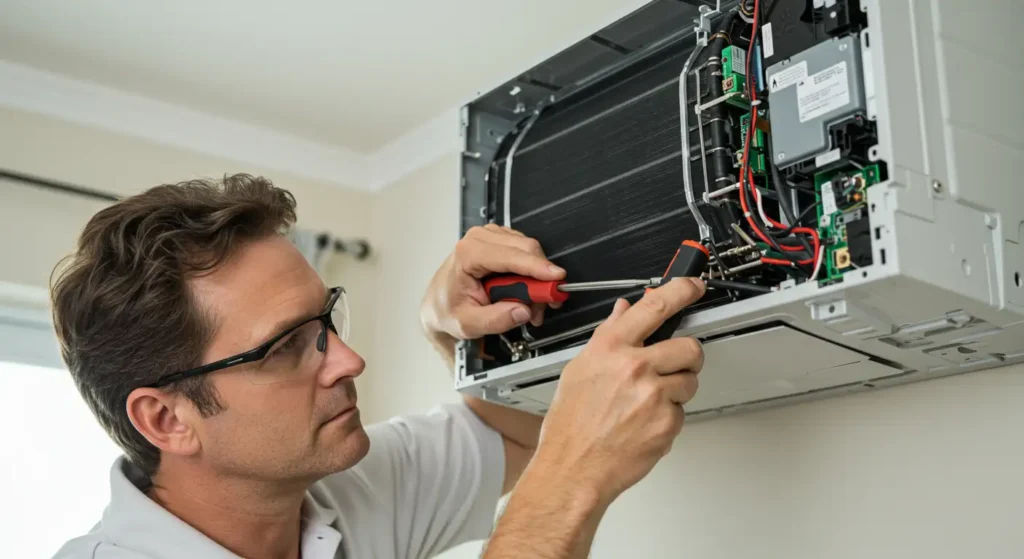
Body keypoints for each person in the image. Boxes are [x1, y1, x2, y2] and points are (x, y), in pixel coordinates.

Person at [51, 174, 705, 559]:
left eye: (326, 319)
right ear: (166, 417)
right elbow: (552, 460)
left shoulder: (347, 490)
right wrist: (570, 486)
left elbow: (517, 435)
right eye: (283, 346)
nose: (349, 360)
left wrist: (450, 336)